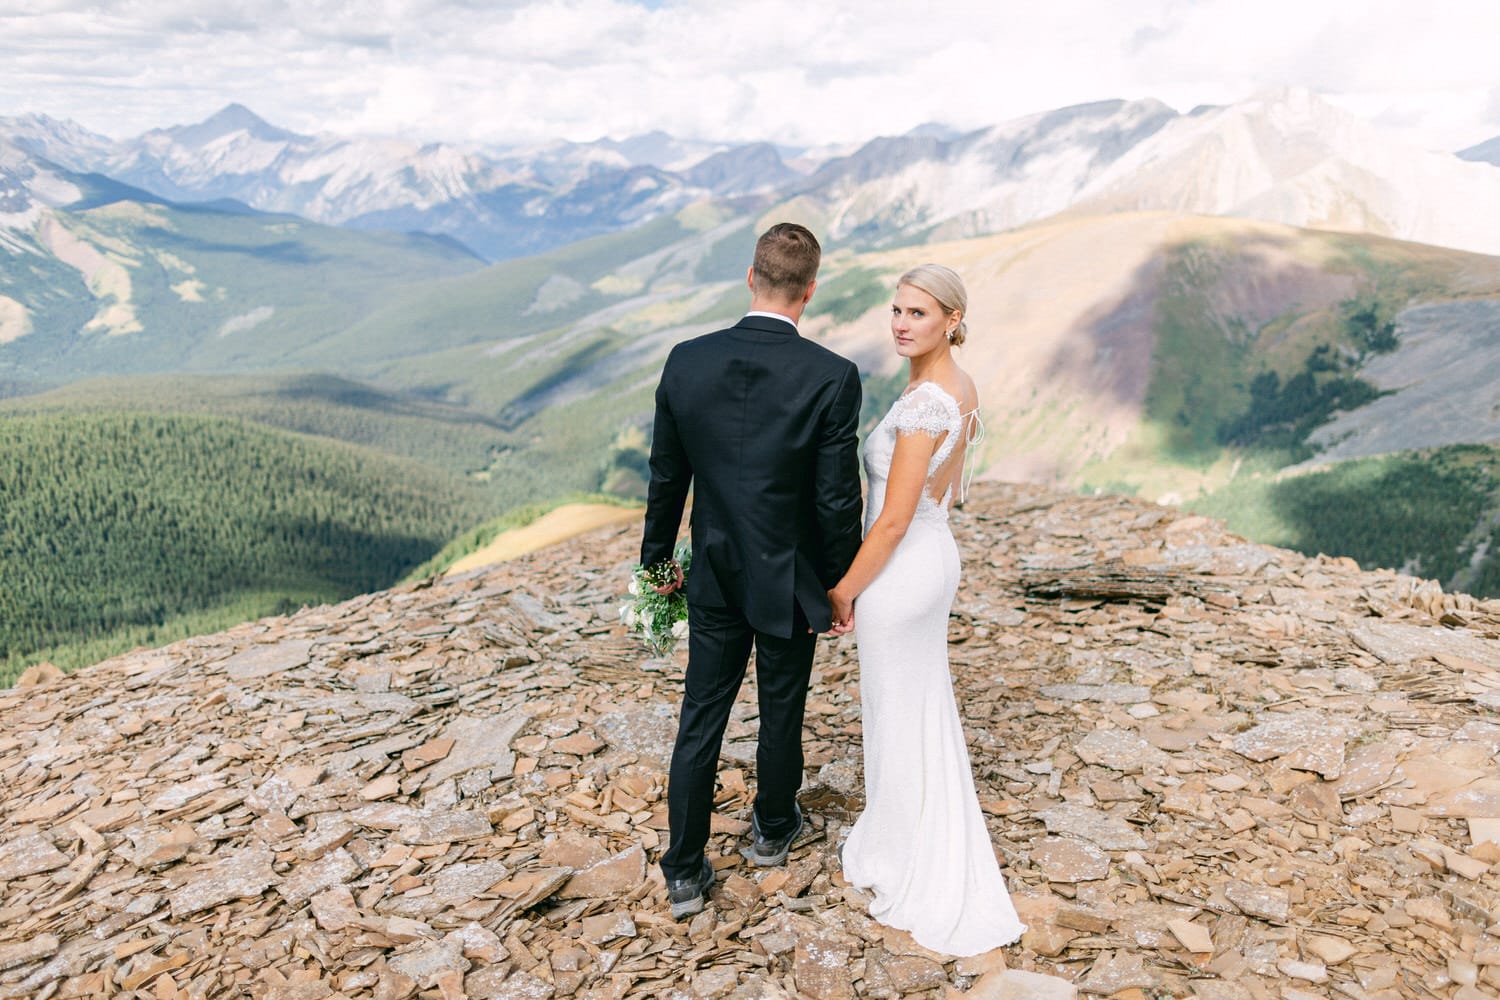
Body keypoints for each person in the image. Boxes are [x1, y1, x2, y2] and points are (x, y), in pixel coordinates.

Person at [641, 222, 864, 919]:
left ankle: (682, 868)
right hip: (790, 576)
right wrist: (839, 585)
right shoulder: (831, 376)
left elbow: (667, 476)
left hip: (710, 569)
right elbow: (835, 499)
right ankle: (771, 829)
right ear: (810, 291)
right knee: (782, 707)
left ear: (750, 278)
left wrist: (656, 566)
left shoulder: (686, 359)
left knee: (701, 713)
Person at [829, 264, 1026, 956]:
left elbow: (890, 521)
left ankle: (906, 856)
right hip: (933, 555)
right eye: (896, 310)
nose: (901, 323)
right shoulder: (956, 387)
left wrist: (844, 588)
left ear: (951, 320)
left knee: (896, 707)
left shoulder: (922, 405)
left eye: (917, 313)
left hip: (903, 568)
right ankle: (909, 833)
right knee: (916, 705)